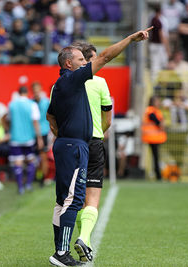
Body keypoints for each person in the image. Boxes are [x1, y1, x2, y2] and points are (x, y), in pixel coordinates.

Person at [46, 27, 151, 266]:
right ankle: (61, 253)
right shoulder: (73, 80)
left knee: (63, 200)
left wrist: (61, 133)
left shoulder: (60, 85)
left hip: (66, 143)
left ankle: (61, 251)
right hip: (75, 146)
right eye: (81, 60)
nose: (86, 64)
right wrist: (130, 39)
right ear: (69, 64)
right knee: (74, 200)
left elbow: (50, 116)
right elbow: (105, 57)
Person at [70, 41, 112, 263]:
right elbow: (108, 119)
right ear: (88, 60)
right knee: (93, 198)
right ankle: (84, 237)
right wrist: (99, 130)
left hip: (71, 143)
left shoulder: (64, 82)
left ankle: (70, 243)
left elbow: (53, 118)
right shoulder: (100, 82)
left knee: (76, 199)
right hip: (93, 142)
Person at [3, 86, 43, 194]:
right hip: (28, 137)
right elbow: (35, 122)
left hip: (15, 137)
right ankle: (29, 184)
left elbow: (7, 119)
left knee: (18, 162)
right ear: (27, 93)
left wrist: (8, 131)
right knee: (31, 160)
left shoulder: (12, 104)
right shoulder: (32, 104)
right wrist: (39, 138)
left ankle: (20, 187)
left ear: (18, 93)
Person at [141, 96, 167, 180]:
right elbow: (156, 121)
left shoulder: (155, 110)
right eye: (157, 101)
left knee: (155, 156)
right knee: (156, 157)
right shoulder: (151, 110)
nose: (158, 103)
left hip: (155, 138)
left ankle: (157, 174)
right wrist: (161, 123)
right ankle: (158, 175)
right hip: (153, 138)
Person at [31, 81, 50, 183]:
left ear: (41, 90)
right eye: (34, 91)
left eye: (37, 90)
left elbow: (51, 116)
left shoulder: (46, 102)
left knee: (43, 156)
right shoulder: (31, 103)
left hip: (43, 132)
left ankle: (43, 178)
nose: (36, 92)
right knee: (33, 157)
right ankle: (36, 176)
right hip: (32, 133)